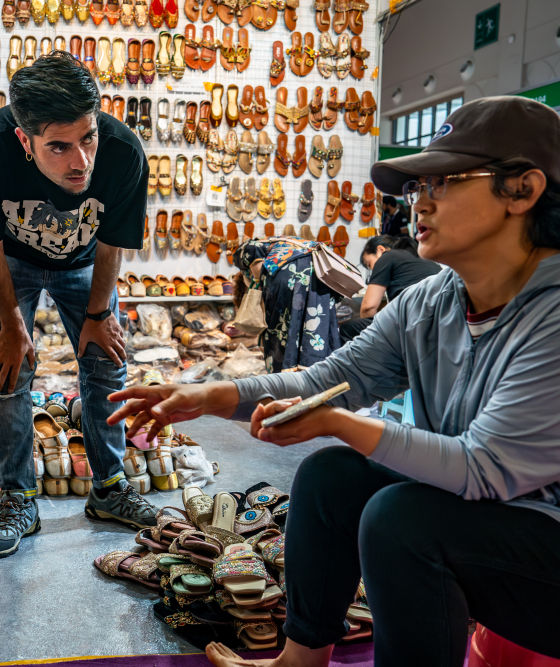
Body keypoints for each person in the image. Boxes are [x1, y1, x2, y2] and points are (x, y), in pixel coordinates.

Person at [109, 95, 560, 667]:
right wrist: (206, 396)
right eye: (418, 187)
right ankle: (300, 661)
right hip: (497, 524)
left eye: (443, 182)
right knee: (332, 478)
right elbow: (338, 377)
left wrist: (341, 424)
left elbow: (483, 468)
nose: (419, 202)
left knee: (401, 520)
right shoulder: (431, 301)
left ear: (522, 190)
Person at [0, 52, 157, 559]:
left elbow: (112, 244)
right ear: (25, 141)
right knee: (8, 373)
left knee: (106, 363)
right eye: (59, 147)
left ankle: (109, 489)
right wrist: (10, 325)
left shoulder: (123, 152)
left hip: (85, 263)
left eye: (87, 138)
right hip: (11, 263)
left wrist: (98, 316)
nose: (81, 161)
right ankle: (19, 499)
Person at [232, 238, 341, 373]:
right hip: (321, 271)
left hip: (289, 274)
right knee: (318, 325)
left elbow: (252, 250)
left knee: (280, 330)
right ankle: (314, 374)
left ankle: (284, 374)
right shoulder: (281, 243)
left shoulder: (245, 253)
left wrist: (257, 281)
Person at [338, 234, 442, 342]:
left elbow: (368, 307)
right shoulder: (426, 261)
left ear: (380, 250)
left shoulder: (387, 257)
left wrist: (368, 336)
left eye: (369, 264)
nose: (372, 270)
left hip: (411, 323)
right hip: (436, 323)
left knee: (349, 328)